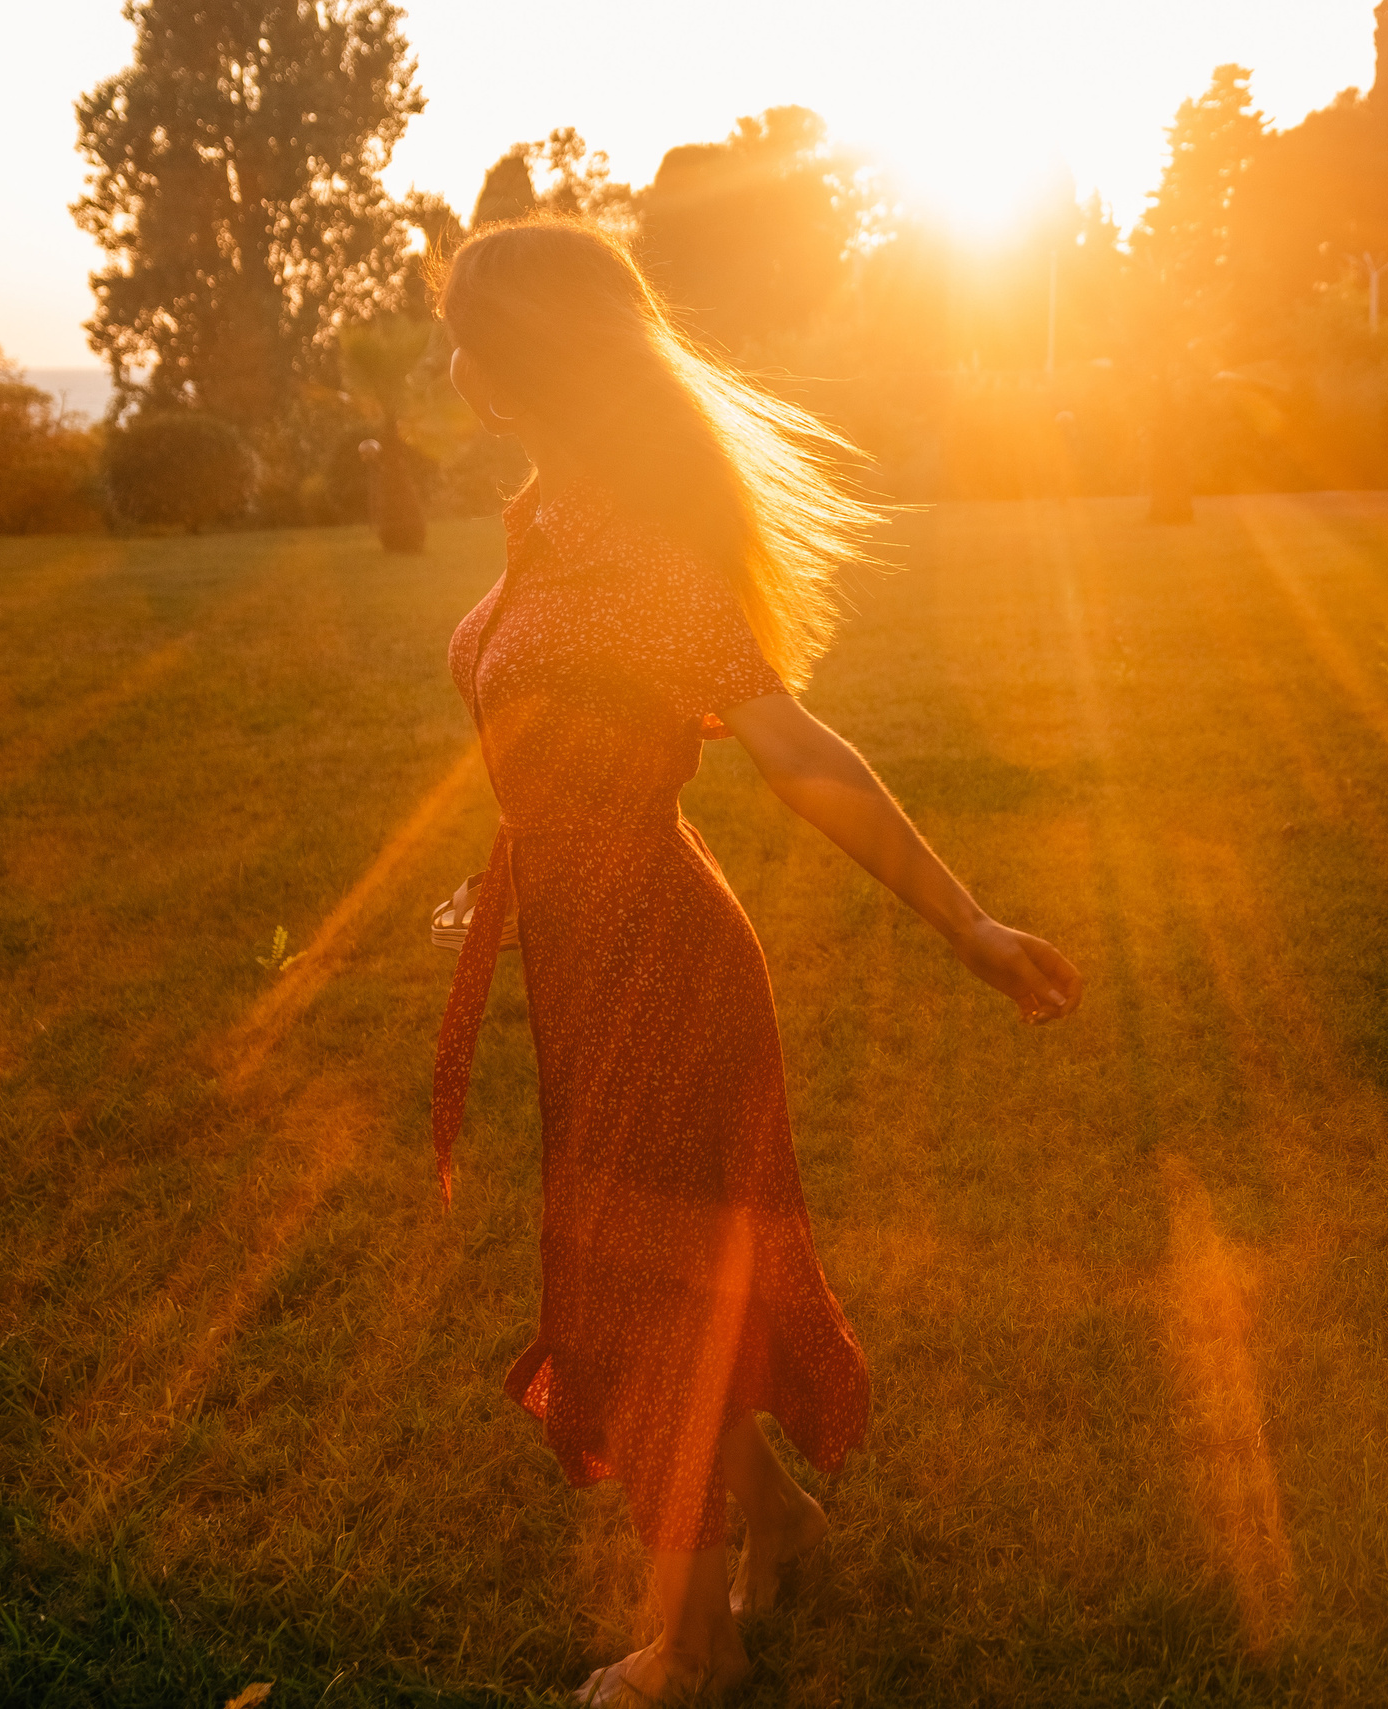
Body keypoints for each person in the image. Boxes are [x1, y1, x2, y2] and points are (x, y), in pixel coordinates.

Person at [429, 218, 1085, 1705]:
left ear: (517, 367)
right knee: (655, 1269)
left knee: (649, 1290)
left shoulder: (641, 558)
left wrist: (969, 922)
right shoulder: (550, 525)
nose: (451, 362)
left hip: (662, 966)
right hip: (584, 960)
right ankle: (776, 1523)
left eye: (465, 336)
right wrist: (513, 876)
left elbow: (799, 752)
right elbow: (555, 745)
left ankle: (693, 1648)